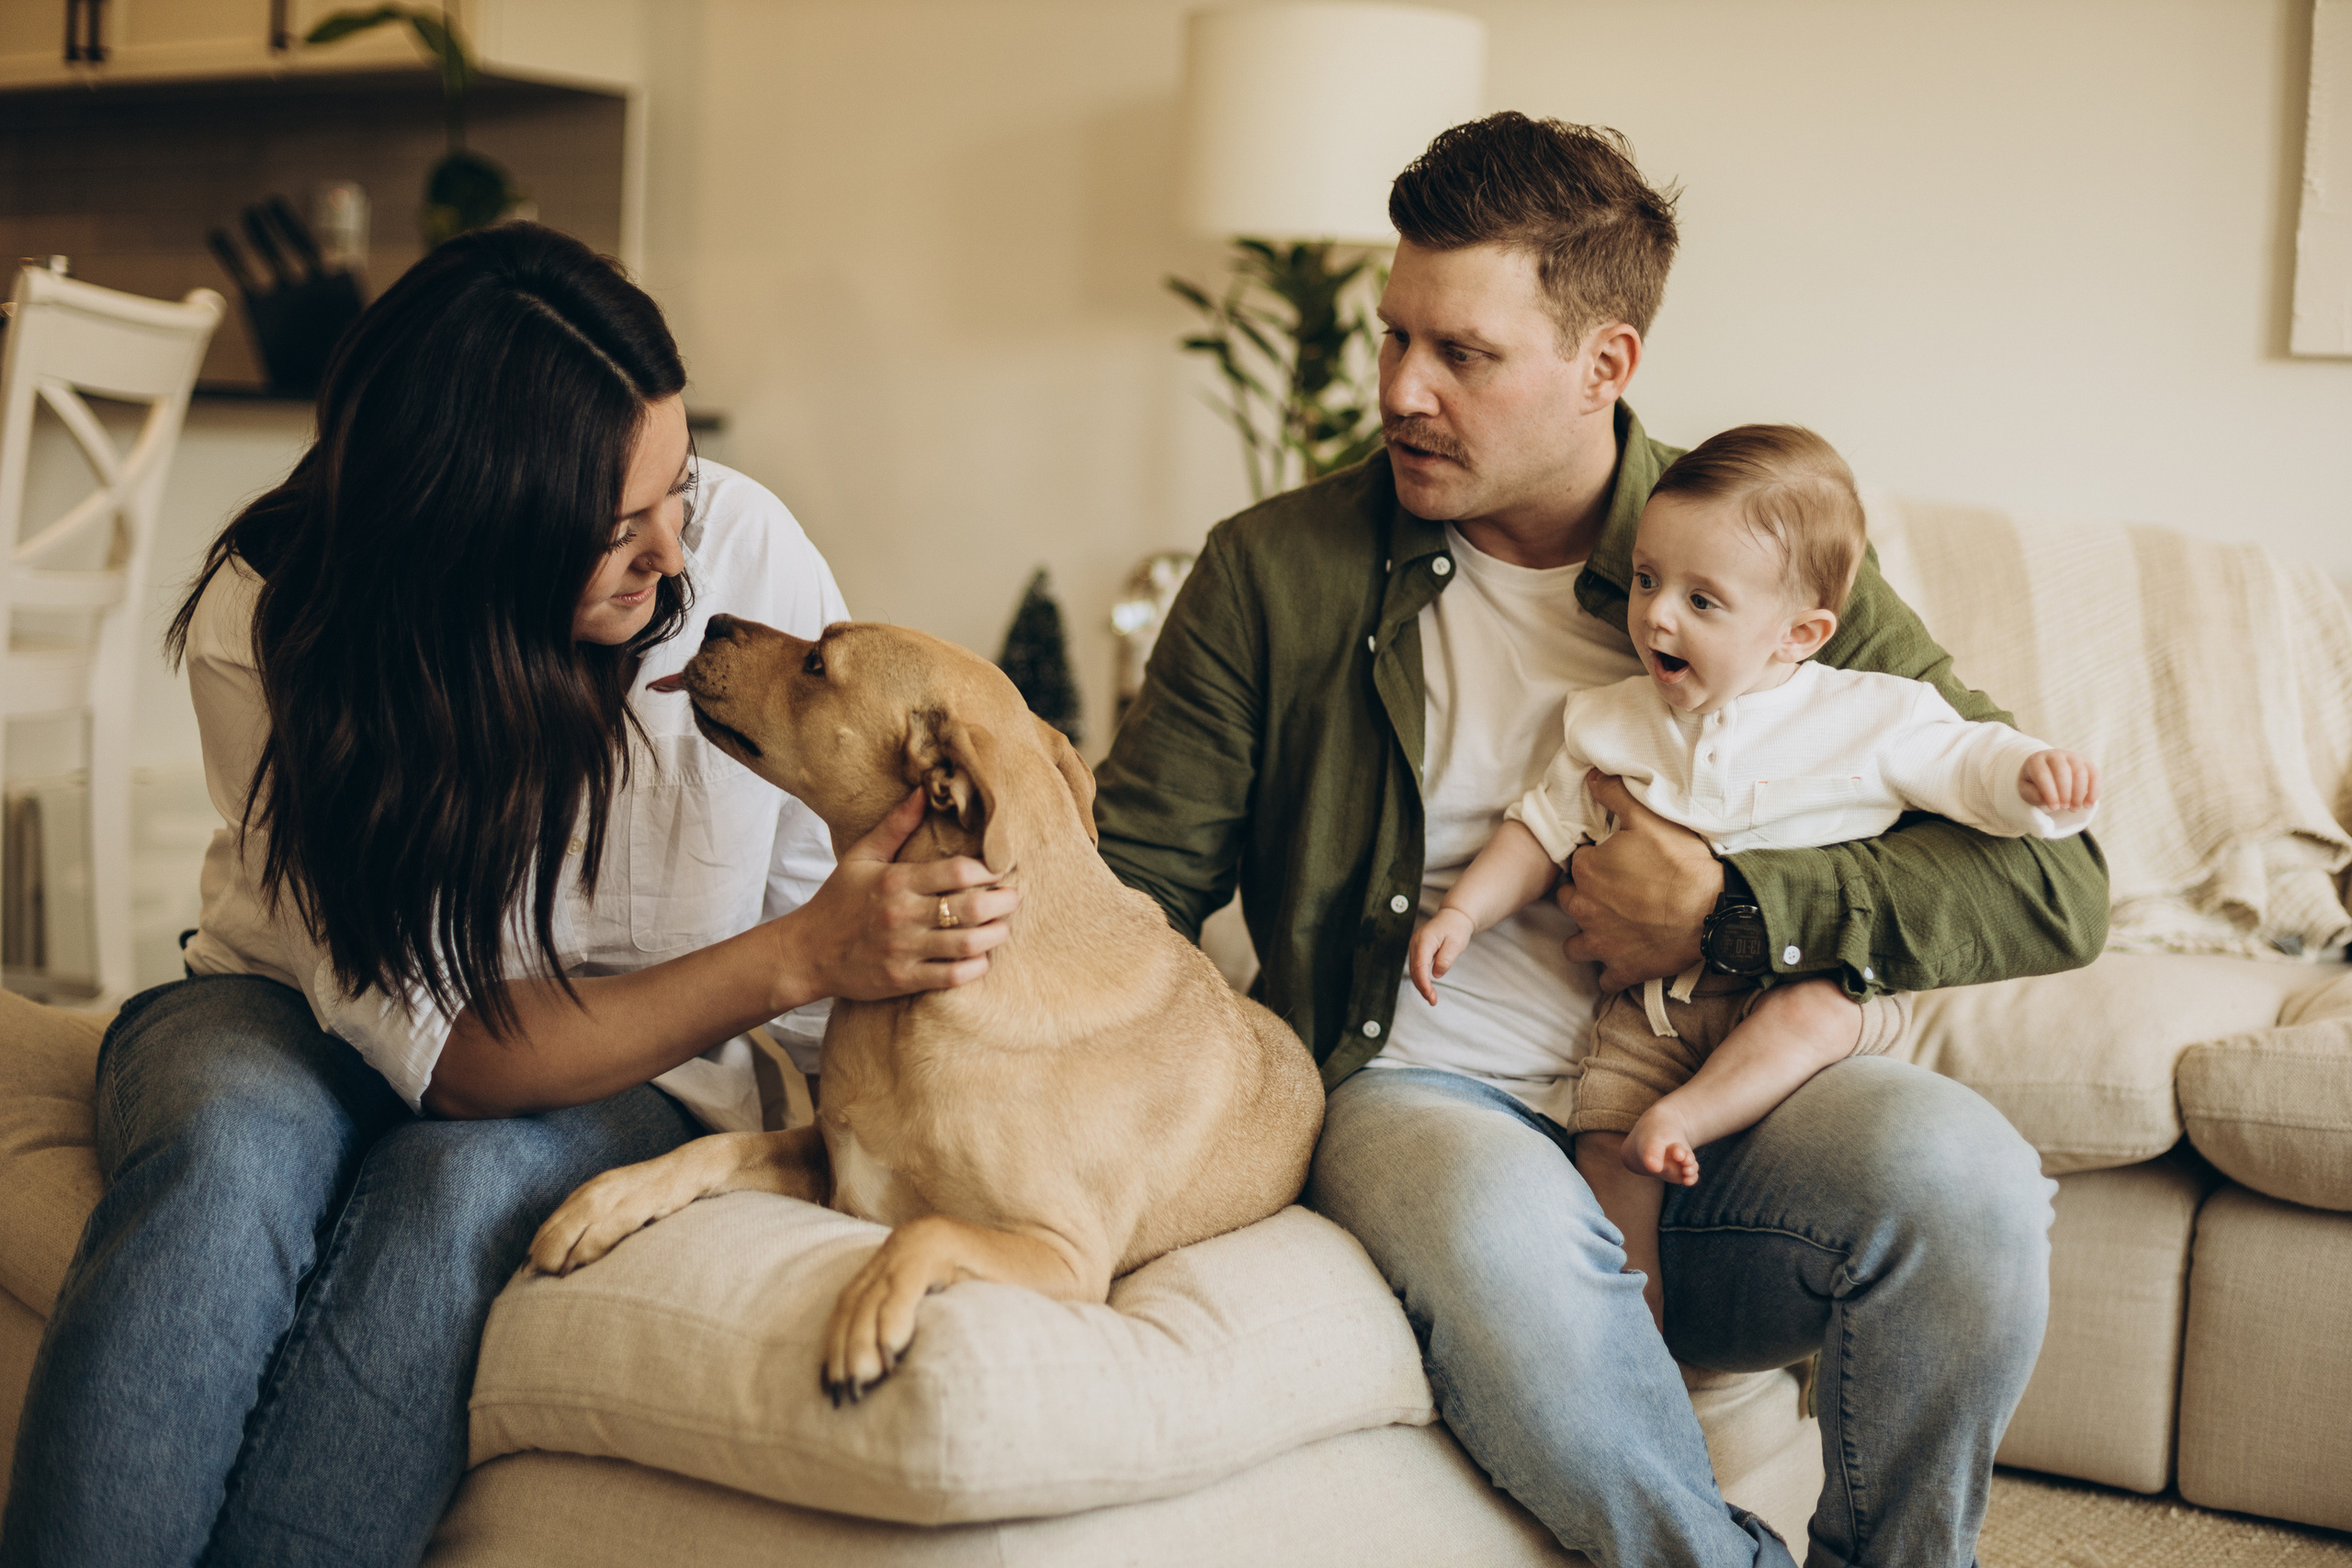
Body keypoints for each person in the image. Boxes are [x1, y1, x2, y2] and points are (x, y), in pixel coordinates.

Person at [1095, 114, 2108, 1568]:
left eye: (1464, 353)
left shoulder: (1750, 548)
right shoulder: (1273, 571)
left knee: (1968, 1175)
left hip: (1712, 1106)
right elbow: (1139, 884)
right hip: (1427, 1083)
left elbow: (2058, 878)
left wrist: (1733, 908)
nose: (1400, 390)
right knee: (1503, 1228)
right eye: (1394, 338)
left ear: (1606, 363)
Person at [0, 223, 1014, 1568]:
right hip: (279, 1010)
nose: (670, 553)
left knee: (455, 1198)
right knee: (225, 1152)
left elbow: (846, 901)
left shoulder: (746, 554)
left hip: (646, 1055)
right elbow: (453, 1050)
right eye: (612, 529)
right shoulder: (279, 617)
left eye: (678, 488)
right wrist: (798, 955)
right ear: (469, 526)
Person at [1408, 422, 2100, 1332]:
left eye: (1704, 601)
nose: (1656, 614)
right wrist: (1462, 911)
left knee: (1818, 1012)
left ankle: (1687, 1120)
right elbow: (1538, 828)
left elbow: (1962, 761)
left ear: (1800, 634)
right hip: (1651, 1007)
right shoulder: (1613, 720)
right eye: (1648, 579)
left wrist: (2027, 778)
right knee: (1604, 1144)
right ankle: (1636, 1330)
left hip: (1797, 984)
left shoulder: (1867, 714)